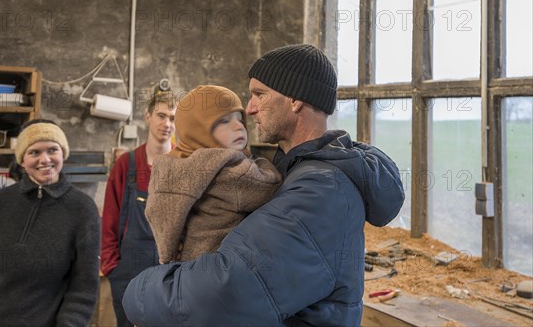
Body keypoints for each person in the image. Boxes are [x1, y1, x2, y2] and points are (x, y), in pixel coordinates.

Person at [122, 44, 405, 326]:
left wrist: (139, 292)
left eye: (260, 94)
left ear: (294, 100)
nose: (250, 108)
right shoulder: (293, 169)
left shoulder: (321, 191)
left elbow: (226, 291)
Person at [0, 119, 100, 327]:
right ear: (22, 160)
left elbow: (84, 286)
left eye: (53, 149)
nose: (45, 159)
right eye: (34, 152)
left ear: (63, 154)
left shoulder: (83, 209)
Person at [146, 85, 281, 264]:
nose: (238, 127)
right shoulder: (228, 171)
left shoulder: (173, 165)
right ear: (198, 130)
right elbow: (270, 185)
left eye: (240, 119)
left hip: (189, 265)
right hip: (220, 268)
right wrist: (261, 161)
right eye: (224, 122)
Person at [100, 88, 176, 327]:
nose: (167, 123)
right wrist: (112, 267)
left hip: (170, 271)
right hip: (128, 272)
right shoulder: (126, 165)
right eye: (161, 115)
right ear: (148, 116)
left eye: (173, 118)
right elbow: (109, 221)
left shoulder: (182, 165)